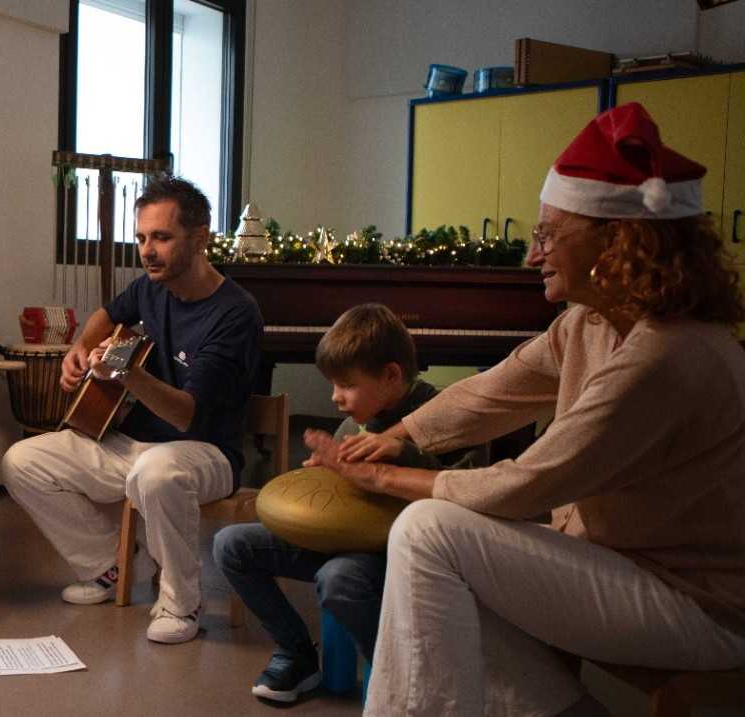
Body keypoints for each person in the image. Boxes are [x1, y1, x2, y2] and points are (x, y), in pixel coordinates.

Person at [302, 103, 745, 716]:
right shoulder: (588, 324)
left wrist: (379, 475)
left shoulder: (666, 354)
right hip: (618, 565)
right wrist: (397, 434)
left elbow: (529, 482)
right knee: (451, 569)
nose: (534, 256)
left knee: (429, 532)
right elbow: (491, 392)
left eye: (548, 236)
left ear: (618, 240)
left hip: (697, 605)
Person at [1, 175, 263, 644]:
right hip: (134, 444)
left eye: (161, 237)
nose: (146, 251)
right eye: (141, 238)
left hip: (205, 452)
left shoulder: (235, 313)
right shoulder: (150, 288)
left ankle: (181, 603)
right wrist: (80, 349)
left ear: (199, 238)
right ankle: (110, 566)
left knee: (156, 471)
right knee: (23, 460)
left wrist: (126, 374)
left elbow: (185, 415)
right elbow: (107, 315)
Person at [212, 303, 483, 703]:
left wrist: (402, 454)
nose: (335, 397)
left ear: (391, 375)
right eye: (333, 385)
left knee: (339, 578)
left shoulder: (446, 416)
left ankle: (401, 679)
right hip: (345, 542)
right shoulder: (349, 425)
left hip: (401, 553)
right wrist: (320, 480)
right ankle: (297, 654)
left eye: (346, 385)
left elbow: (468, 491)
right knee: (231, 545)